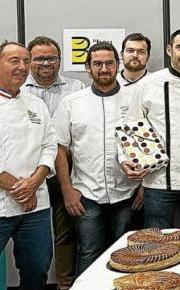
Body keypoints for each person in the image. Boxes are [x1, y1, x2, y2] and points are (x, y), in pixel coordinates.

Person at [53, 42, 141, 275]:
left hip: (127, 194)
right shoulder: (71, 103)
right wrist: (67, 191)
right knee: (89, 252)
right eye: (98, 64)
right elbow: (59, 149)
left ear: (117, 65)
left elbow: (148, 144)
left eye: (109, 63)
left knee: (127, 254)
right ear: (88, 67)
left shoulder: (135, 99)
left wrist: (144, 186)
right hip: (86, 195)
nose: (104, 69)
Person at [121, 28, 180, 228]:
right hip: (159, 183)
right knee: (157, 242)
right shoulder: (149, 84)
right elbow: (131, 126)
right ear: (169, 50)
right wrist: (127, 160)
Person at [0, 41, 58, 289]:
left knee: (37, 269)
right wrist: (20, 188)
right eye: (14, 61)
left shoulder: (36, 104)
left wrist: (35, 182)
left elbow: (50, 146)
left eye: (26, 61)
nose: (22, 67)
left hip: (35, 207)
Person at [23, 35, 85, 290]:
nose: (45, 63)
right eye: (38, 58)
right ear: (29, 61)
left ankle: (65, 284)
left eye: (51, 58)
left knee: (66, 232)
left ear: (60, 60)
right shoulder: (18, 89)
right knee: (29, 237)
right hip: (27, 174)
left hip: (63, 173)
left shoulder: (77, 88)